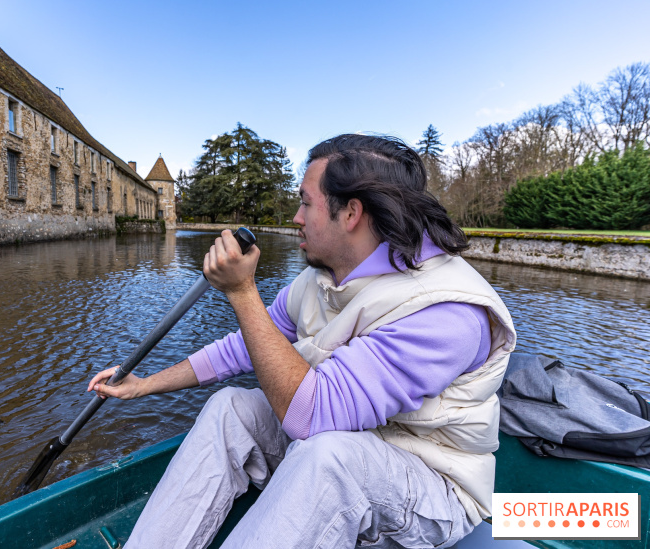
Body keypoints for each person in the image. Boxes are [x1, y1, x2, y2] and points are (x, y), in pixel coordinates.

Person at [88, 134, 516, 548]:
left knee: (329, 459)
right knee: (230, 408)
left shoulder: (446, 313)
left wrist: (242, 292)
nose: (295, 217)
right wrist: (144, 384)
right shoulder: (321, 278)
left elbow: (312, 418)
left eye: (306, 203)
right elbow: (244, 346)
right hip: (348, 447)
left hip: (431, 486)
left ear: (350, 213)